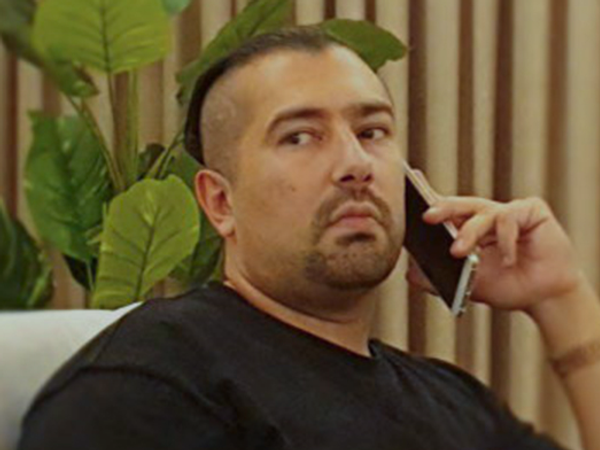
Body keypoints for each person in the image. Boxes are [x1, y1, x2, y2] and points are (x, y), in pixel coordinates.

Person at [19, 26, 600, 450]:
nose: (355, 163)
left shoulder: (455, 403)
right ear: (220, 202)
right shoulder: (149, 385)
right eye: (300, 137)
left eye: (371, 131)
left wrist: (561, 297)